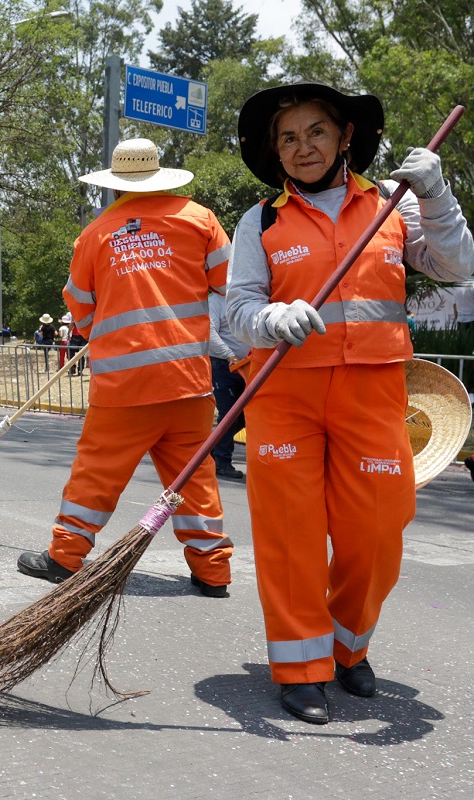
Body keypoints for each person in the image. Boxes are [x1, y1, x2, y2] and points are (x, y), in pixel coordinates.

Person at [227, 83, 473, 725]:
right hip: (284, 392)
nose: (302, 147)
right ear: (273, 151)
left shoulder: (395, 206)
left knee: (377, 531)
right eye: (288, 137)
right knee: (291, 536)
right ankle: (301, 667)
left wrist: (438, 195)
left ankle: (347, 645)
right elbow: (238, 310)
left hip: (373, 390)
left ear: (345, 138)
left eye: (316, 132)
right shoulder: (261, 220)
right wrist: (269, 316)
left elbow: (456, 266)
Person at [16, 138, 234, 603]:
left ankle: (65, 557)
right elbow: (228, 285)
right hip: (188, 383)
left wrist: (109, 330)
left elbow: (80, 306)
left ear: (115, 188)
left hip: (124, 386)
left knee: (96, 474)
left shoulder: (95, 234)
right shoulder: (200, 219)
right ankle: (213, 572)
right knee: (194, 478)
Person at [208, 292, 248, 481]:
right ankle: (222, 462)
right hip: (223, 364)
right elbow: (209, 332)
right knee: (230, 414)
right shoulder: (215, 301)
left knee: (245, 415)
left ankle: (211, 451)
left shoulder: (241, 297)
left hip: (245, 365)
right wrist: (229, 354)